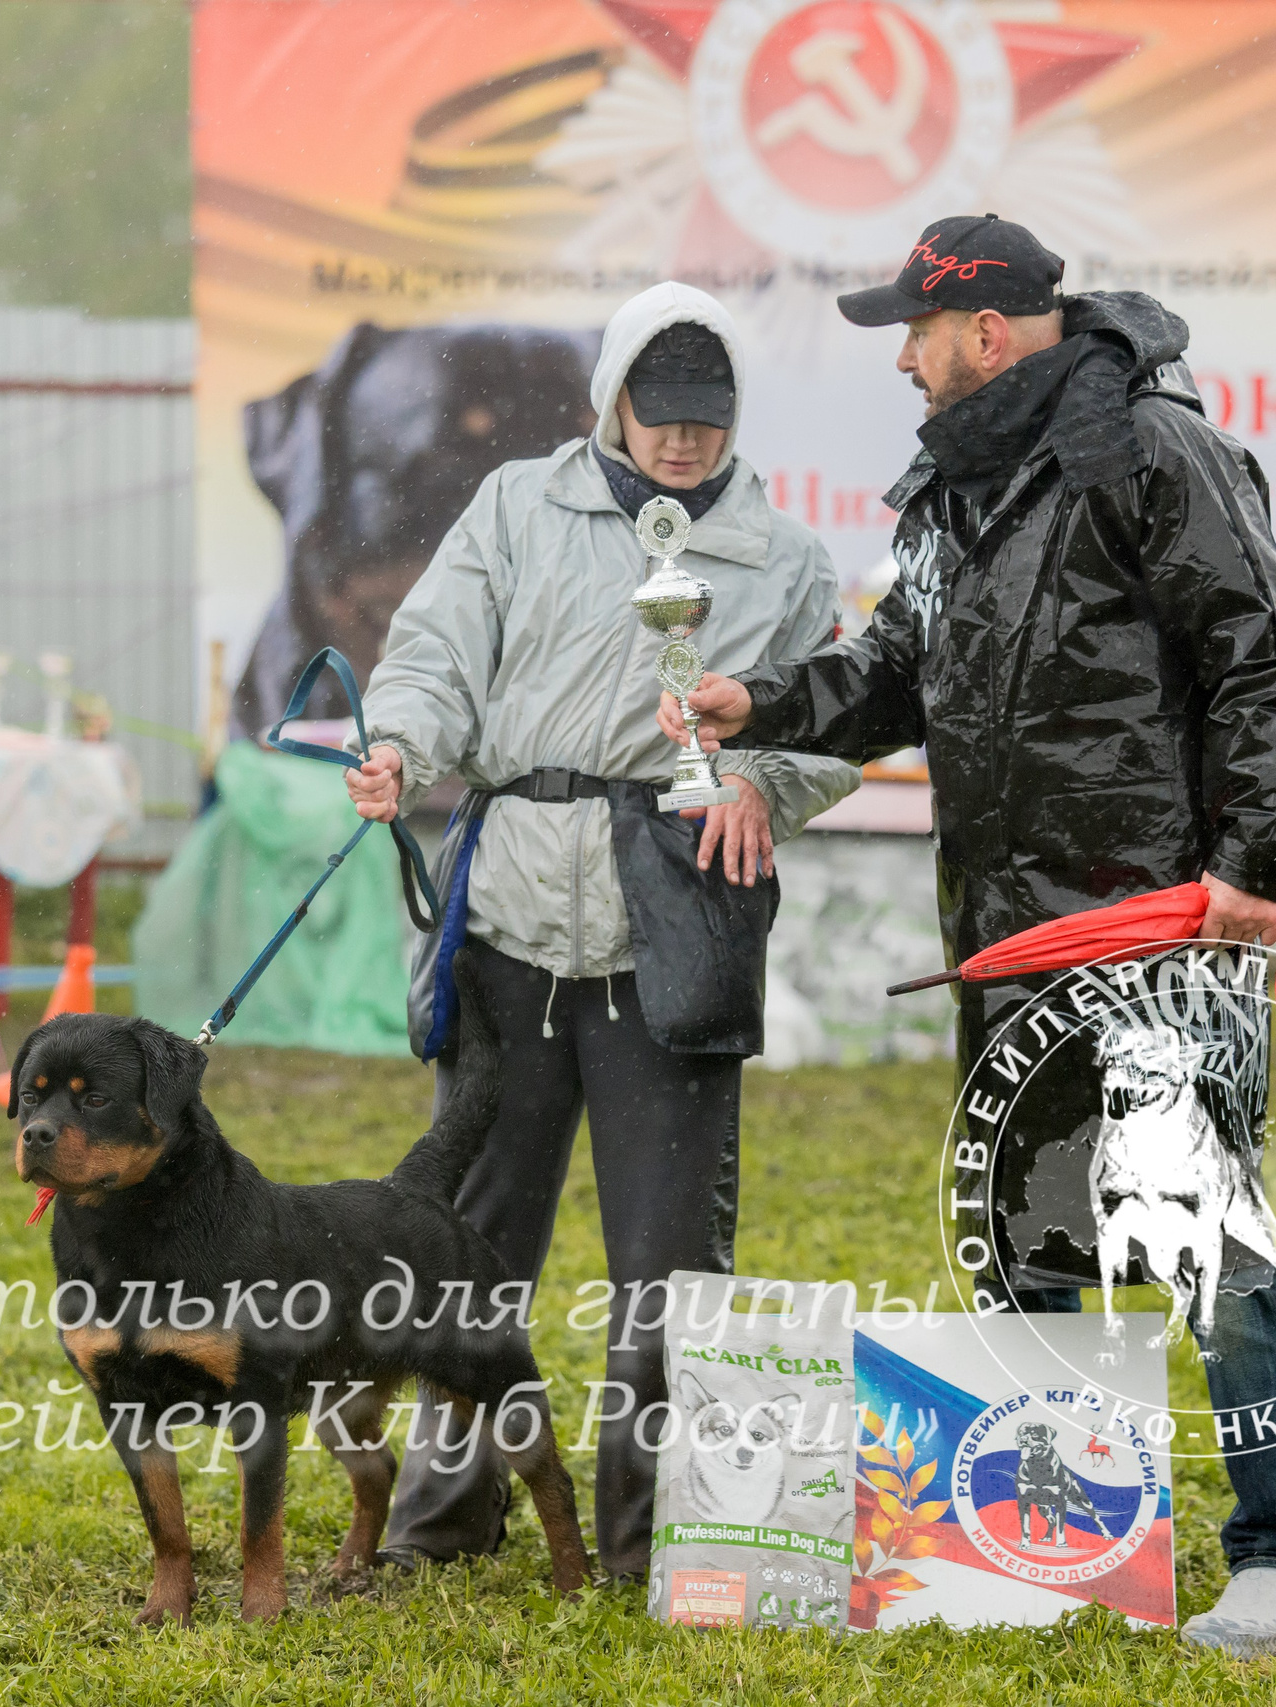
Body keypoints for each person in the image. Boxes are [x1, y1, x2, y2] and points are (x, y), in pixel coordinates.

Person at [669, 217, 1276, 1656]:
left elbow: (1263, 658)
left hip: (1163, 920)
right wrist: (762, 704)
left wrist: (1256, 863)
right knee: (1027, 1227)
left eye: (916, 331)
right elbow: (896, 670)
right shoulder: (946, 490)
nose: (903, 361)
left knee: (1202, 1237)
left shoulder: (1157, 451)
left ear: (985, 331)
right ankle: (1063, 1548)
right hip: (1004, 928)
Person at [344, 282, 860, 1581]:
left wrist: (762, 781)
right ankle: (443, 1516)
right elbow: (437, 654)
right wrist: (403, 744)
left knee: (669, 1259)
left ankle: (660, 1536)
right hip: (512, 912)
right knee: (470, 1245)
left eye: (708, 416)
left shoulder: (785, 555)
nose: (684, 441)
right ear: (611, 398)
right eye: (660, 413)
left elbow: (827, 729)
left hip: (672, 927)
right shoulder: (517, 504)